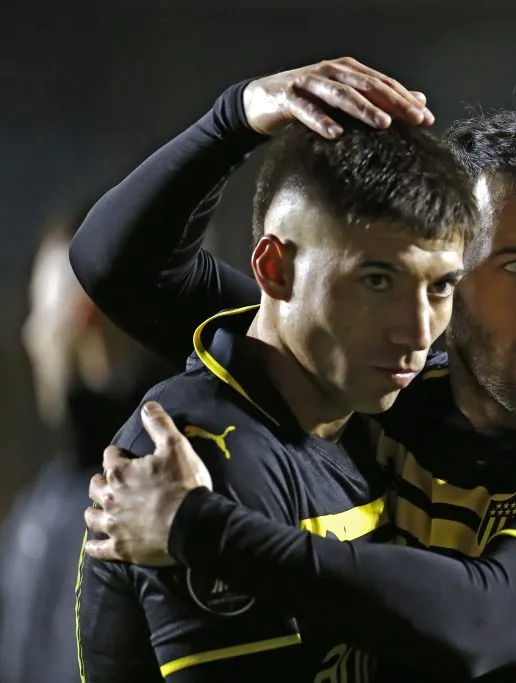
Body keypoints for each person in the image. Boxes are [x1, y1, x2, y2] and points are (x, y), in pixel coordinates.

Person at [72, 56, 516, 682]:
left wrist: (194, 526)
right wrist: (236, 117)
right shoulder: (388, 379)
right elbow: (122, 271)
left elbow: (481, 619)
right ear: (450, 272)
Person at [75, 58, 483, 682]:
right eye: (378, 281)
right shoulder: (202, 460)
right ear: (275, 269)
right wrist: (232, 118)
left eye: (441, 287)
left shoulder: (358, 409)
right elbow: (116, 264)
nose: (418, 331)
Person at [0, 207, 168, 683]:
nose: (32, 335)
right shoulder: (45, 503)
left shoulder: (167, 503)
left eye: (42, 311)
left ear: (85, 316)